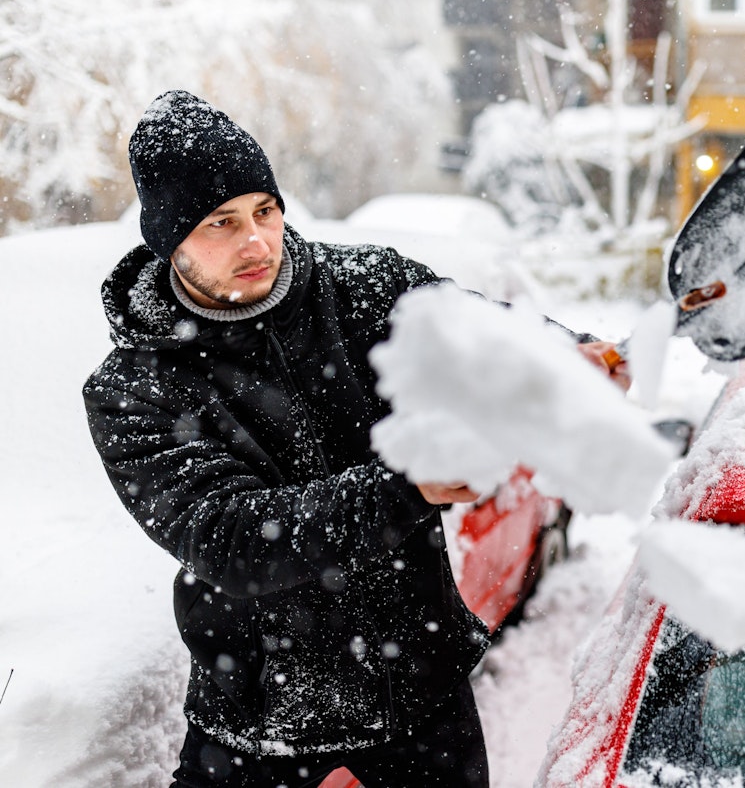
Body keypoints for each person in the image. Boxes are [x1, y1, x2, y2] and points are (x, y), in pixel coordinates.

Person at [82, 90, 627, 788]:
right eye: (222, 223)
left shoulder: (361, 288)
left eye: (265, 212)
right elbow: (230, 540)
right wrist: (404, 487)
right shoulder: (134, 389)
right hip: (258, 718)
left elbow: (480, 336)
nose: (257, 241)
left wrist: (569, 358)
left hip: (418, 694)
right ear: (169, 241)